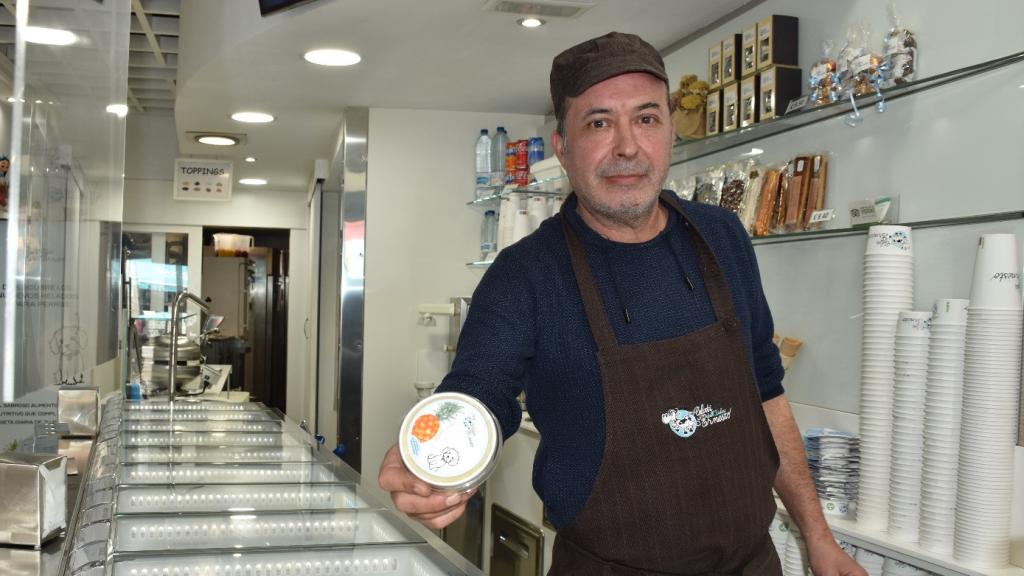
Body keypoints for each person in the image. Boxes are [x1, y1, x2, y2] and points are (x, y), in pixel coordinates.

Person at [379, 31, 866, 575]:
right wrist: (433, 460)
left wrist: (817, 536)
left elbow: (767, 392)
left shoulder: (723, 237)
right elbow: (478, 393)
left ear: (670, 133)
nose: (628, 146)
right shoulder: (525, 275)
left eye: (647, 118)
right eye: (599, 122)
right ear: (562, 147)